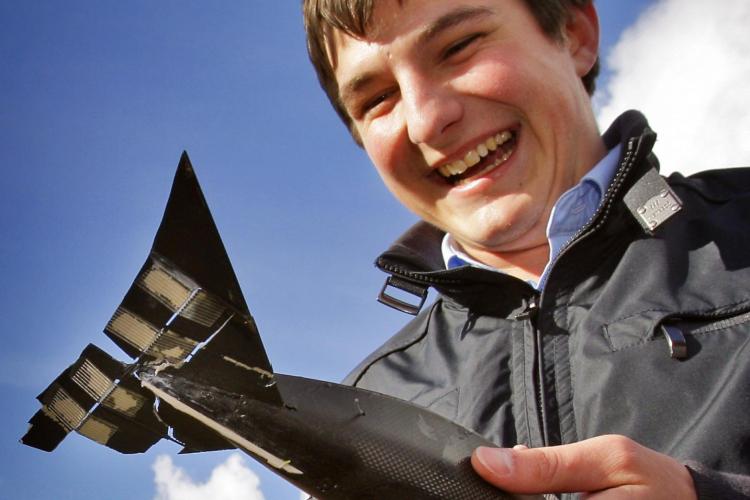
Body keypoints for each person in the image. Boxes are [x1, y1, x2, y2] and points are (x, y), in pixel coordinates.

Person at [302, 0, 750, 497]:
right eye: (378, 98)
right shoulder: (363, 409)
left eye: (458, 47)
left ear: (575, 34)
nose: (426, 121)